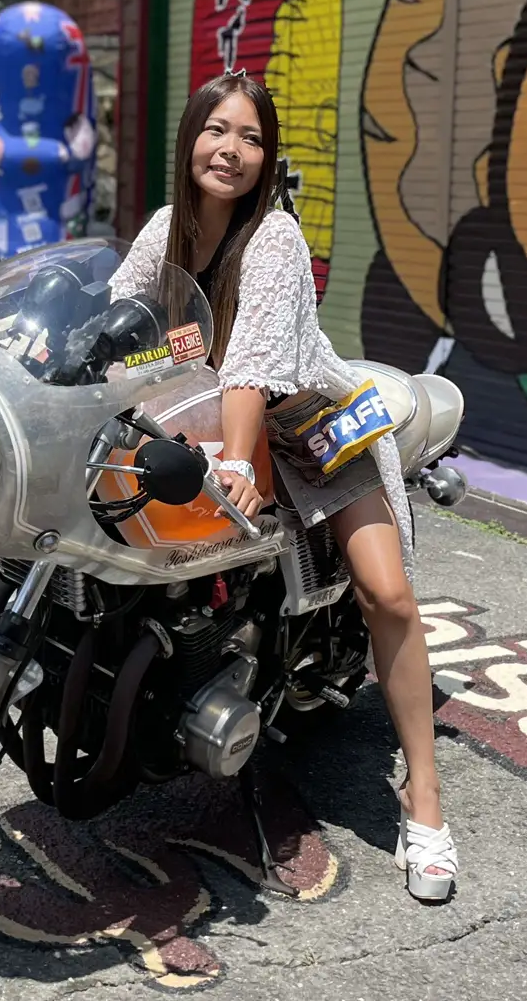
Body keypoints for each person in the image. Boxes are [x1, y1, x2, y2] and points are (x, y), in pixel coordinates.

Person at [114, 73, 458, 901]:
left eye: (252, 138)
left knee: (388, 596)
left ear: (266, 158)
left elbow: (252, 369)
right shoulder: (163, 231)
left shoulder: (272, 240)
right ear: (189, 136)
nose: (230, 150)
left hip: (306, 427)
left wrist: (235, 462)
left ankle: (425, 799)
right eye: (216, 131)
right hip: (194, 421)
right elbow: (115, 324)